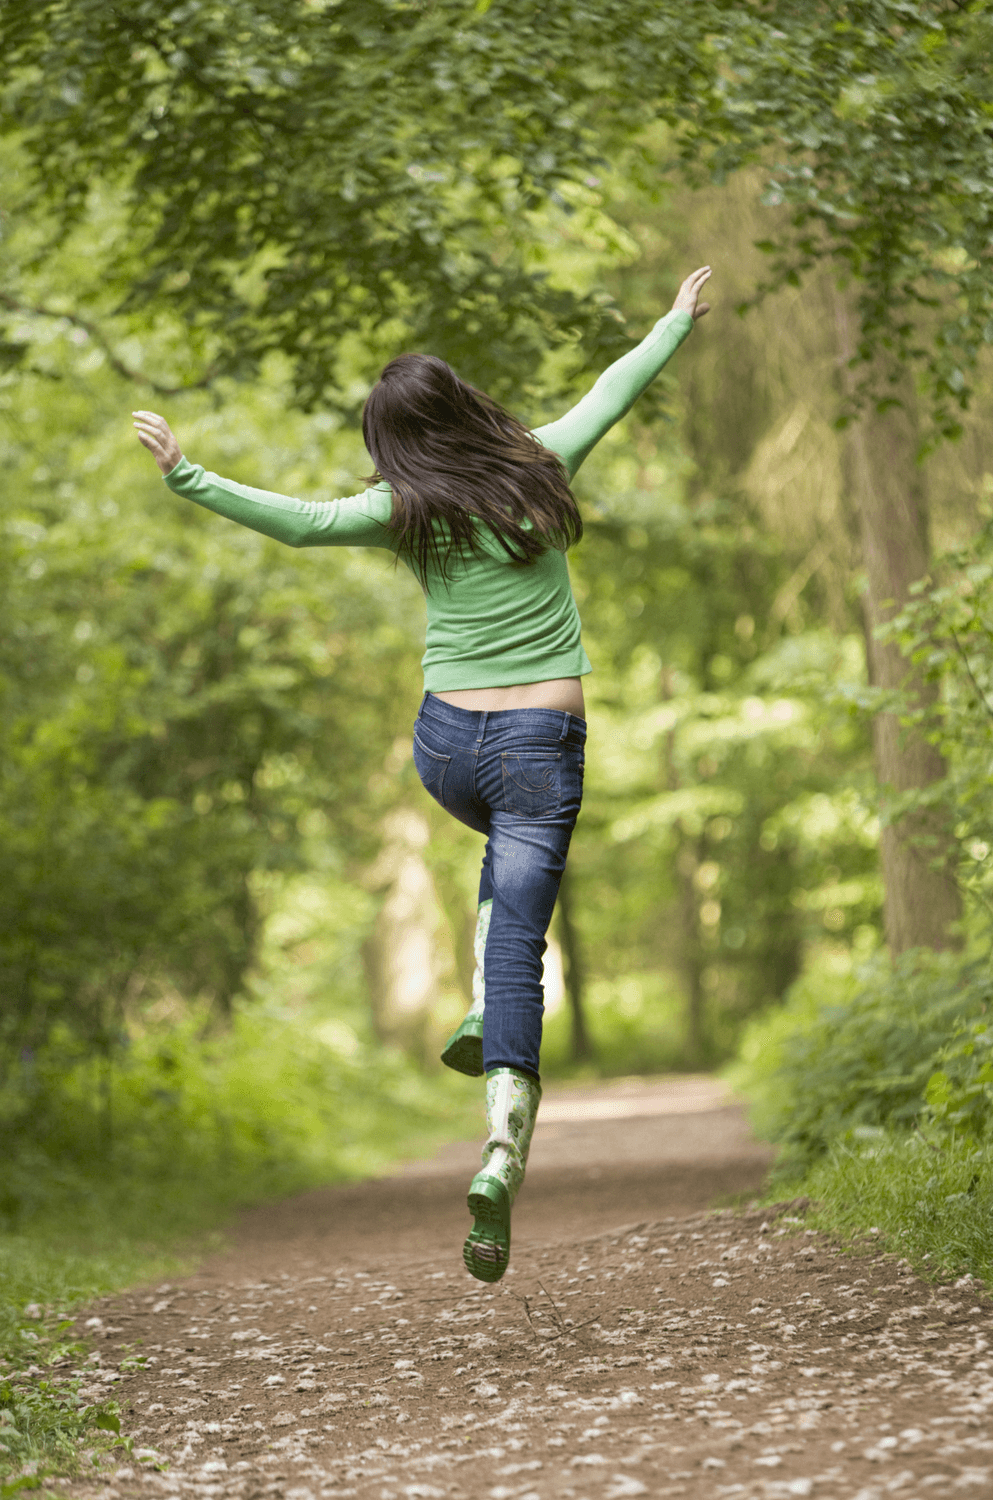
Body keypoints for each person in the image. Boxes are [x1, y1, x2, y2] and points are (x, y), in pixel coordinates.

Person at [133, 264, 712, 1282]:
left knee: (500, 858)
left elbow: (301, 521)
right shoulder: (539, 465)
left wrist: (189, 472)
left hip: (443, 749)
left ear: (391, 441)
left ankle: (486, 1007)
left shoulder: (400, 510)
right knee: (521, 924)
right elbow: (612, 390)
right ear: (464, 406)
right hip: (538, 745)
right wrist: (671, 323)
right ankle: (501, 1146)